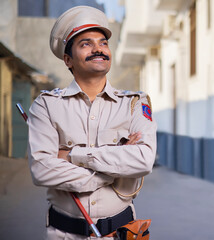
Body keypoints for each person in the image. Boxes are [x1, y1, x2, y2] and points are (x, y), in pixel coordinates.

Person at [27, 6, 157, 239]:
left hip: (121, 232)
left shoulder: (135, 103)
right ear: (68, 59)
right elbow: (42, 170)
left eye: (103, 43)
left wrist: (72, 155)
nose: (98, 48)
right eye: (86, 43)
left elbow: (144, 160)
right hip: (64, 233)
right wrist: (110, 173)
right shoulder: (46, 105)